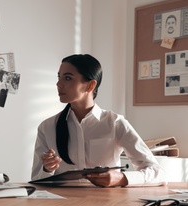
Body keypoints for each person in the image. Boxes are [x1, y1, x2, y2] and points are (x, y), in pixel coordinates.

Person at [31, 54, 167, 187]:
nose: (58, 84)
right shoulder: (47, 127)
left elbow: (158, 173)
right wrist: (47, 170)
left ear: (90, 86)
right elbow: (35, 180)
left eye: (67, 78)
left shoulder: (115, 124)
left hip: (106, 205)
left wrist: (121, 178)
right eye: (59, 77)